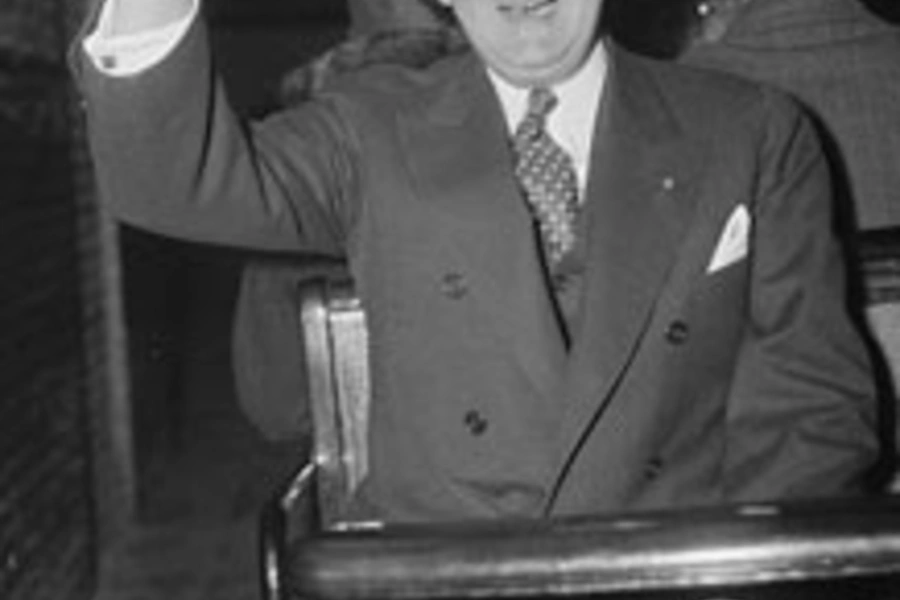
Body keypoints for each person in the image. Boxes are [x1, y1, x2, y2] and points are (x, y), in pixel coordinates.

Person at [73, 0, 880, 523]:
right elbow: (169, 184)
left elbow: (811, 412)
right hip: (448, 575)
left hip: (674, 571)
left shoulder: (753, 129)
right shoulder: (369, 130)